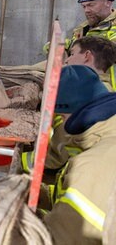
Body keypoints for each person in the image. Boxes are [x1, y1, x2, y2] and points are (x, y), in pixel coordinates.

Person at [40, 65, 116, 244]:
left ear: (69, 112)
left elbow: (60, 238)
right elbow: (92, 199)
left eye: (61, 117)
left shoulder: (92, 166)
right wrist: (38, 194)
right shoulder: (106, 134)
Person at [45, 0, 116, 89]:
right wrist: (59, 45)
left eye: (91, 5)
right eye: (84, 7)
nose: (87, 10)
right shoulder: (82, 29)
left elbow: (109, 51)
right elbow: (74, 46)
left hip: (108, 92)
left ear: (108, 2)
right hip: (85, 88)